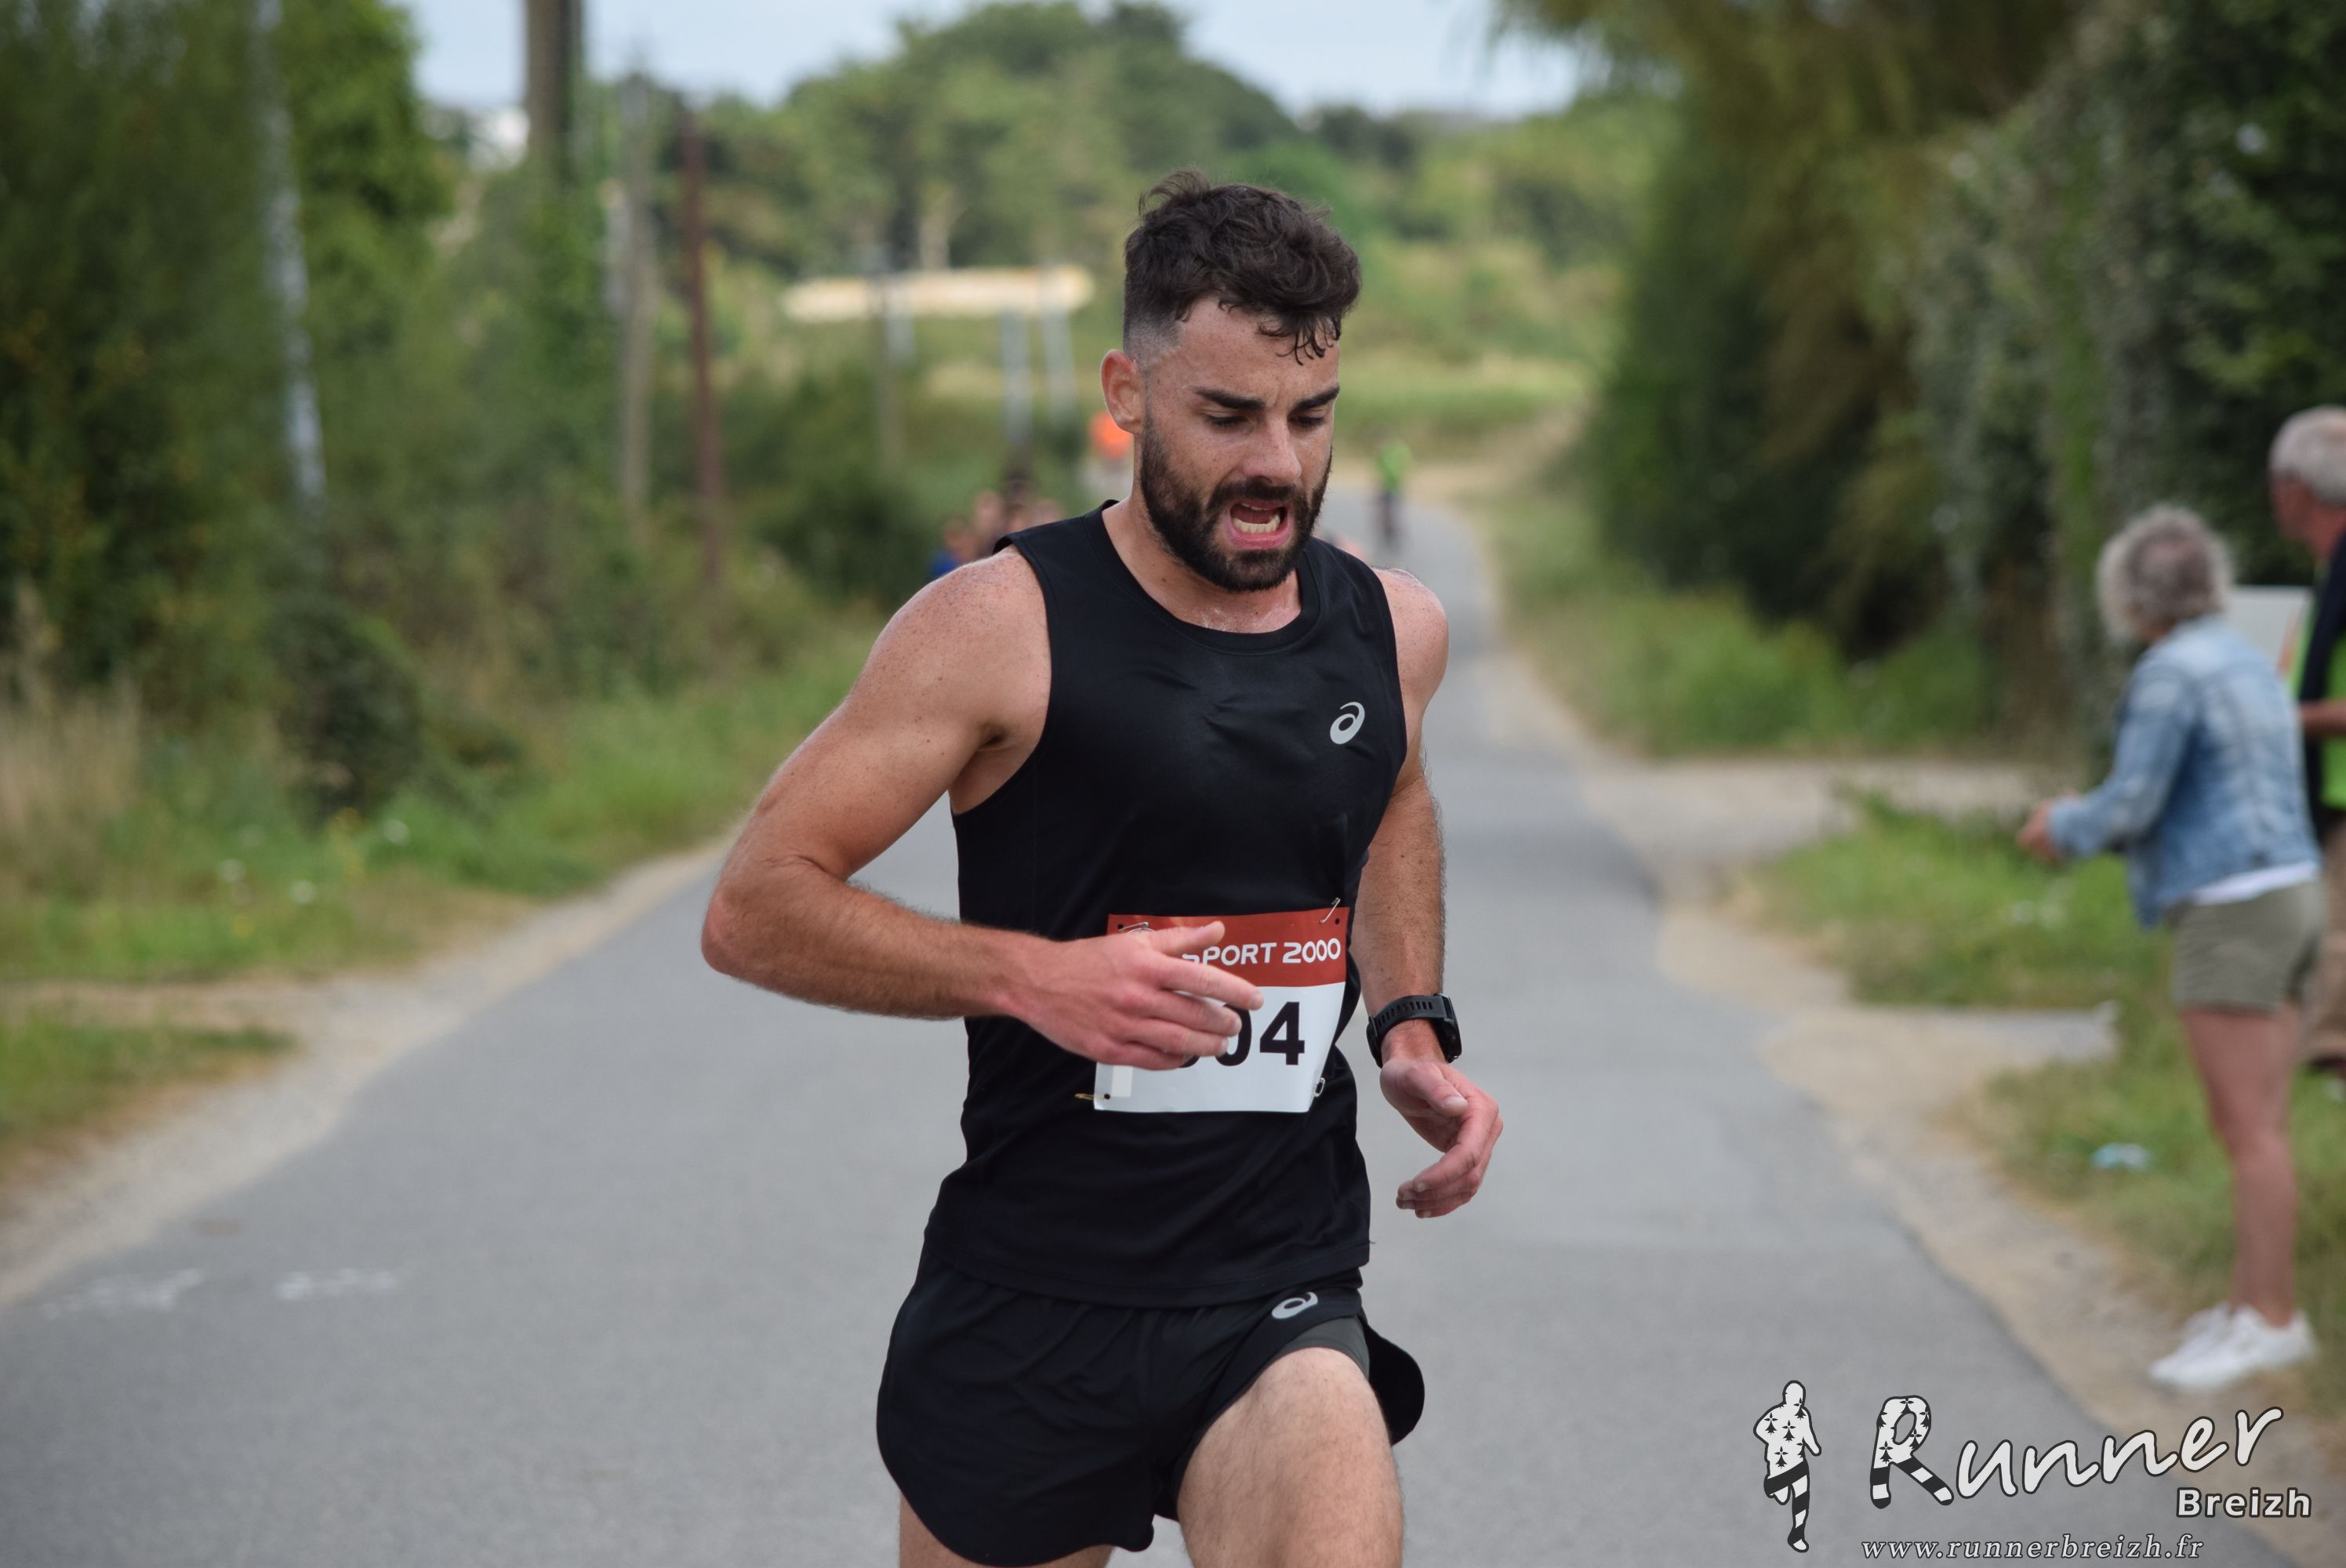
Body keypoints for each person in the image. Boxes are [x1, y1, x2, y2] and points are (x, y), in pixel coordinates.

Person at [700, 172, 1502, 1568]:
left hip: (1276, 1285)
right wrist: (1034, 978)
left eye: (1311, 417)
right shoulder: (995, 627)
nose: (1278, 464)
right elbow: (755, 904)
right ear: (1128, 395)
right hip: (1031, 1300)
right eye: (1229, 417)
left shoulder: (1393, 631)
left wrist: (1411, 1024)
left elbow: (1391, 797)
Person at [2017, 506, 2321, 1393]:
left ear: (2128, 597)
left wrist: (2060, 825)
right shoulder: (2244, 658)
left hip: (2231, 907)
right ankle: (2250, 1303)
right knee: (2264, 1123)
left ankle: (2270, 1319)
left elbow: (2133, 801)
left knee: (2246, 1129)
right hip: (2293, 891)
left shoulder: (2169, 673)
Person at [2273, 407, 2346, 1076]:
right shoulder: (2332, 573)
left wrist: (2281, 719)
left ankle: (2332, 1068)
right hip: (2330, 788)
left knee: (2338, 942)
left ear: (2297, 489)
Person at [1375, 436, 1411, 557]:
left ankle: (1393, 537)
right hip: (1388, 487)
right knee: (1387, 514)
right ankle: (1389, 537)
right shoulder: (1389, 453)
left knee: (1391, 513)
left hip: (1392, 488)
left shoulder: (1389, 454)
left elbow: (1391, 471)